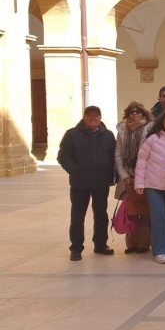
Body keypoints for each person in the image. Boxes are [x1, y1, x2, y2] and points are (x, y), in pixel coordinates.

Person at [58, 106, 117, 261]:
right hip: (79, 183)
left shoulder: (109, 135)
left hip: (101, 182)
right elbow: (63, 157)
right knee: (78, 216)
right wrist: (76, 171)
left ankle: (100, 245)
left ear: (100, 117)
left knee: (101, 215)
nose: (93, 118)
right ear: (84, 117)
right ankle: (76, 248)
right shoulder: (72, 134)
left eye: (96, 116)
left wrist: (112, 177)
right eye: (89, 116)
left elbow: (113, 158)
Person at [134, 110, 165, 264]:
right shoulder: (152, 139)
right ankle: (159, 250)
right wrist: (139, 183)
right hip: (153, 186)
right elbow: (142, 161)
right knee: (158, 217)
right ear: (162, 123)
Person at [114, 101, 153, 254]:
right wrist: (124, 175)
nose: (134, 114)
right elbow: (118, 154)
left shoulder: (149, 128)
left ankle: (143, 243)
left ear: (143, 114)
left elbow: (150, 154)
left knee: (144, 212)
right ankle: (131, 243)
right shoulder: (122, 129)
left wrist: (139, 176)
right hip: (127, 177)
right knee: (130, 211)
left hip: (143, 175)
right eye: (131, 112)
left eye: (138, 112)